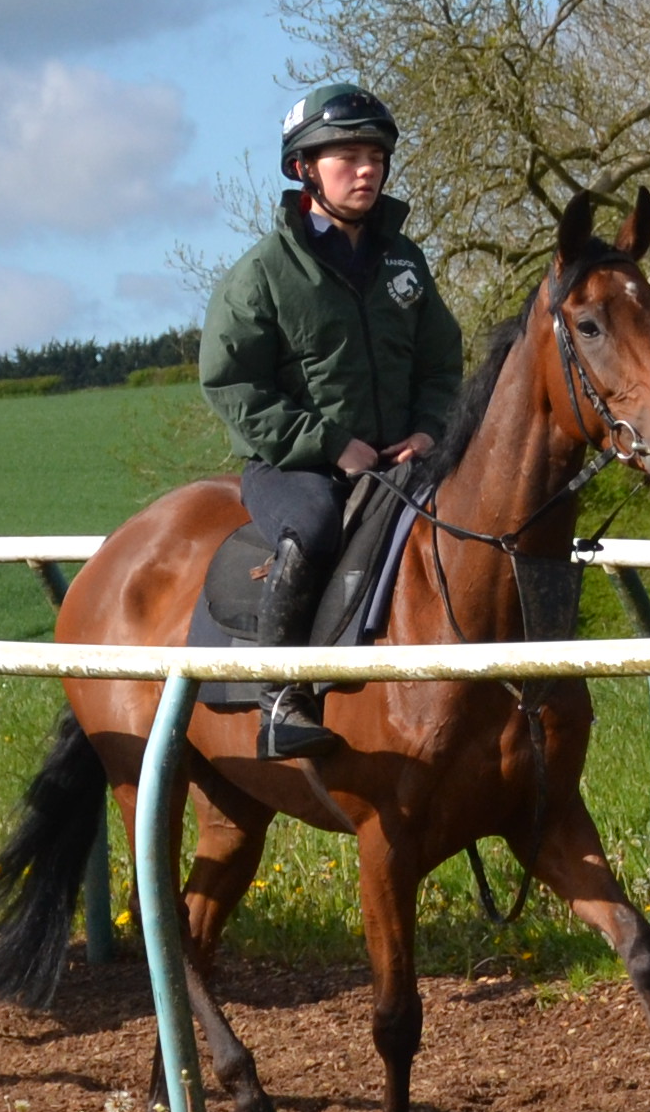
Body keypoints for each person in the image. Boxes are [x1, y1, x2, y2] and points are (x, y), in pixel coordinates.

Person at [198, 79, 463, 759]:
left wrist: (431, 429)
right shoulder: (261, 274)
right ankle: (280, 698)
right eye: (346, 155)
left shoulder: (406, 262)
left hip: (405, 461)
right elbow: (232, 383)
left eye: (375, 154)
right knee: (313, 528)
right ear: (303, 169)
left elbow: (441, 362)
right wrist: (330, 444)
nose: (367, 168)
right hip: (297, 468)